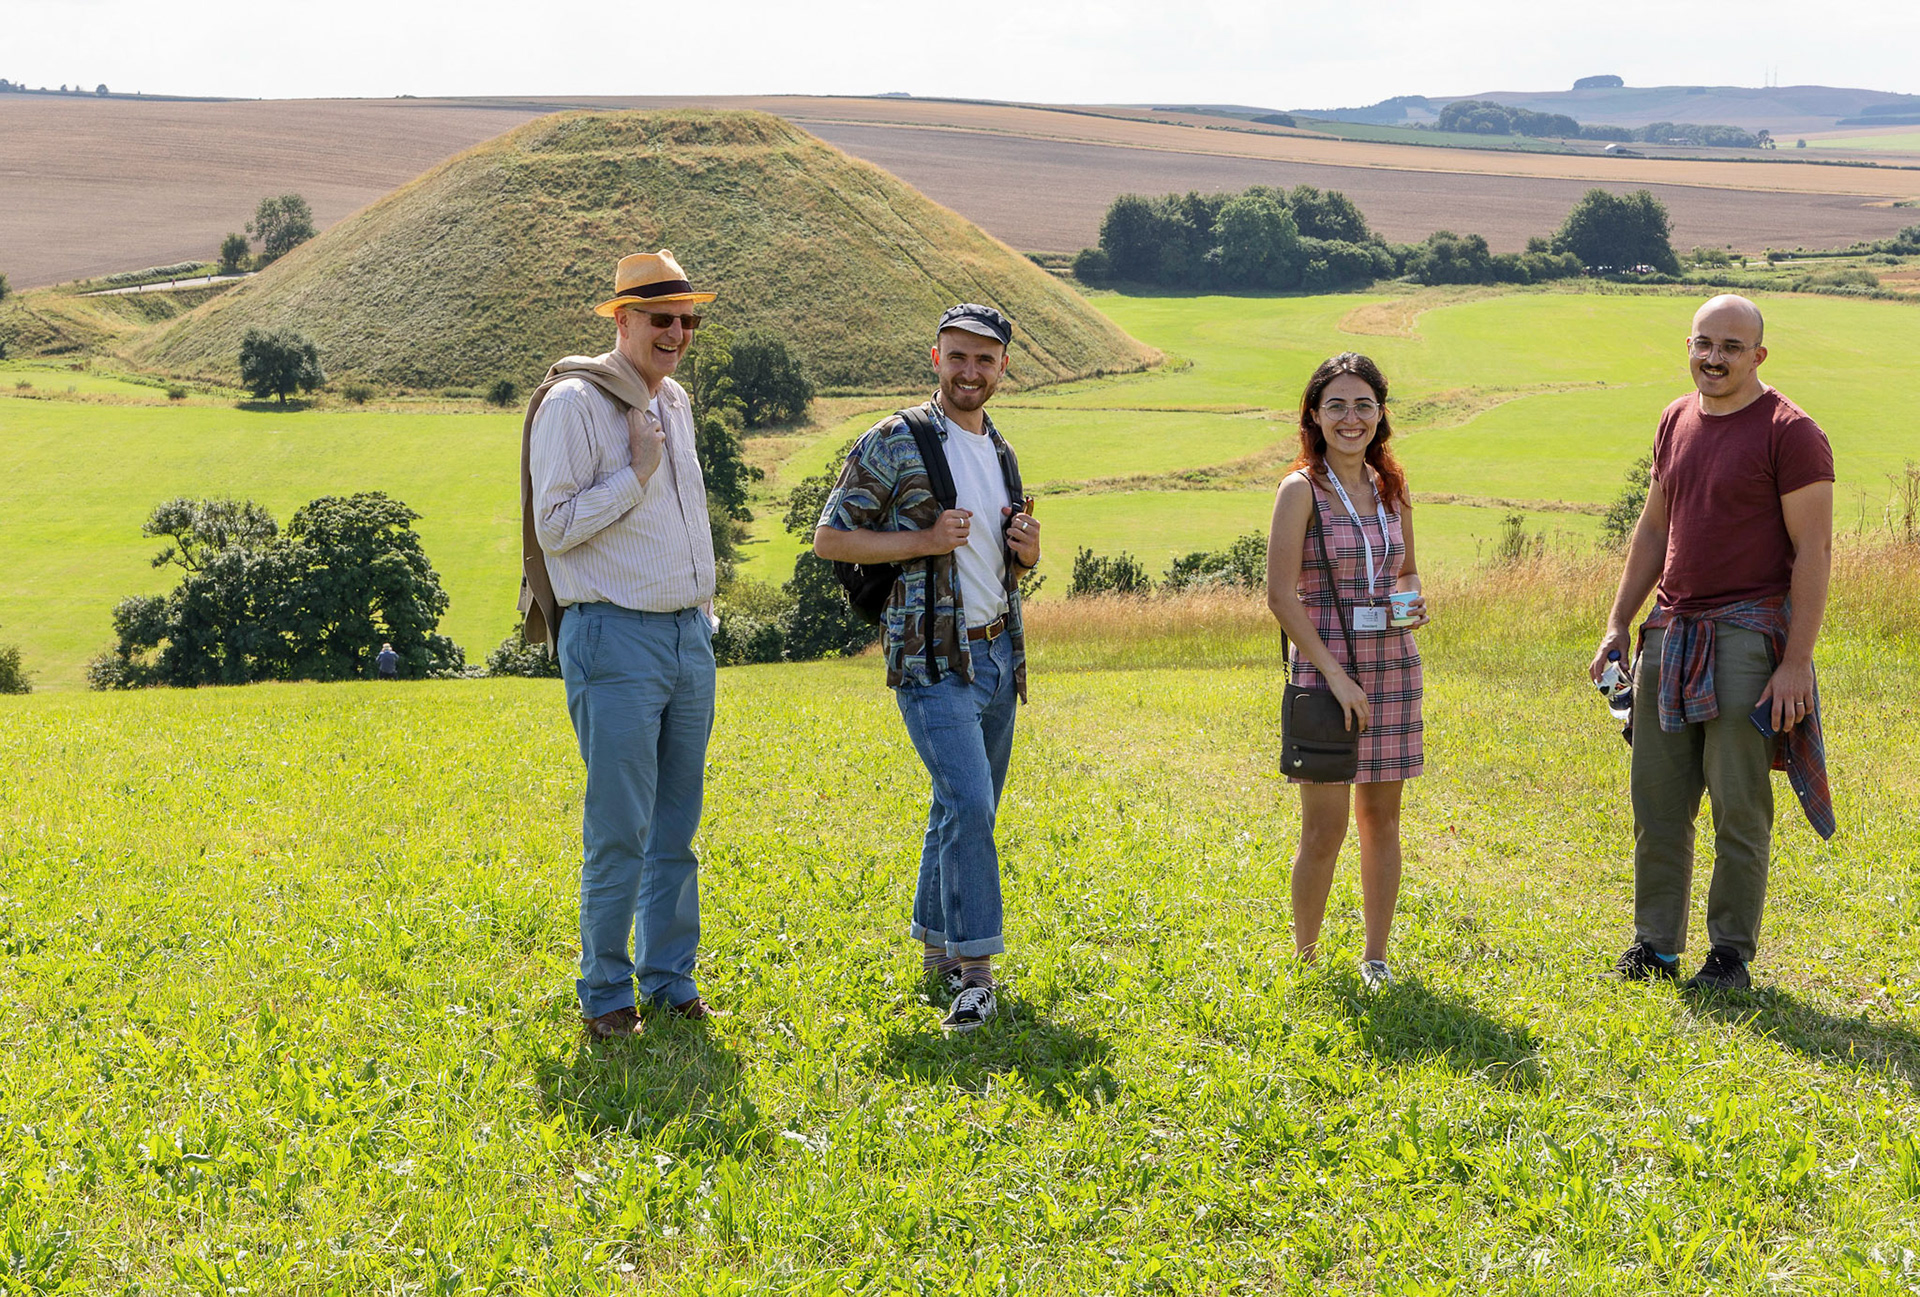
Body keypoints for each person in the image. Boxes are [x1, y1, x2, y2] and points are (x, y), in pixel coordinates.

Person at [1592, 294, 1834, 992]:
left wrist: (1795, 663)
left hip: (1747, 636)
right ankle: (1654, 947)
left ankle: (1730, 955)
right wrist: (1617, 622)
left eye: (1731, 346)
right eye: (1705, 343)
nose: (1715, 357)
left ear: (1759, 355)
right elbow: (1650, 530)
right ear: (1689, 346)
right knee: (1658, 802)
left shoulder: (1792, 432)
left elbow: (1813, 552)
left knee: (1738, 803)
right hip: (1669, 631)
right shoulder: (1675, 417)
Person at [812, 304, 1041, 1033]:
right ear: (934, 357)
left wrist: (1024, 553)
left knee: (957, 805)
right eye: (958, 357)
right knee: (971, 806)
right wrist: (921, 539)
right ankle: (977, 975)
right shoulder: (894, 440)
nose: (970, 371)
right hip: (931, 658)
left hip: (999, 651)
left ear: (1004, 367)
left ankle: (936, 951)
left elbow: (991, 559)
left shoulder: (1000, 449)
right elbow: (828, 539)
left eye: (985, 359)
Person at [521, 249, 722, 1039]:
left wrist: (703, 611)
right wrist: (635, 475)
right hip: (614, 636)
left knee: (677, 826)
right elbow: (556, 526)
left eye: (687, 319)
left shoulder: (674, 400)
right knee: (620, 829)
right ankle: (606, 994)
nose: (676, 332)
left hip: (685, 635)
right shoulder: (574, 402)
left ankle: (671, 979)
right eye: (659, 317)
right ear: (620, 319)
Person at [1264, 352, 1428, 992]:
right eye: (1336, 404)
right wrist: (1334, 677)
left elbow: (1408, 570)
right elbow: (1280, 595)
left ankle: (1376, 959)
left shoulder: (1393, 488)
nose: (1350, 418)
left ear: (1381, 414)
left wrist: (1411, 603)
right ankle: (1305, 960)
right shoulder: (1299, 489)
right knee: (1324, 828)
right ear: (1314, 413)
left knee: (1382, 819)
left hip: (1392, 664)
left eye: (1363, 405)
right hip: (1325, 668)